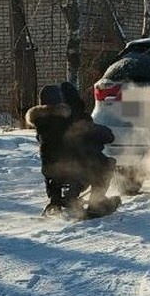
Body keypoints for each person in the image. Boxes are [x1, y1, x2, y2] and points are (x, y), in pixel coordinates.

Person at [25, 82, 119, 218]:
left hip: (51, 173)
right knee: (107, 163)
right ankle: (96, 203)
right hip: (76, 171)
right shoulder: (72, 121)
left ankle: (55, 201)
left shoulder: (41, 125)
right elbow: (107, 135)